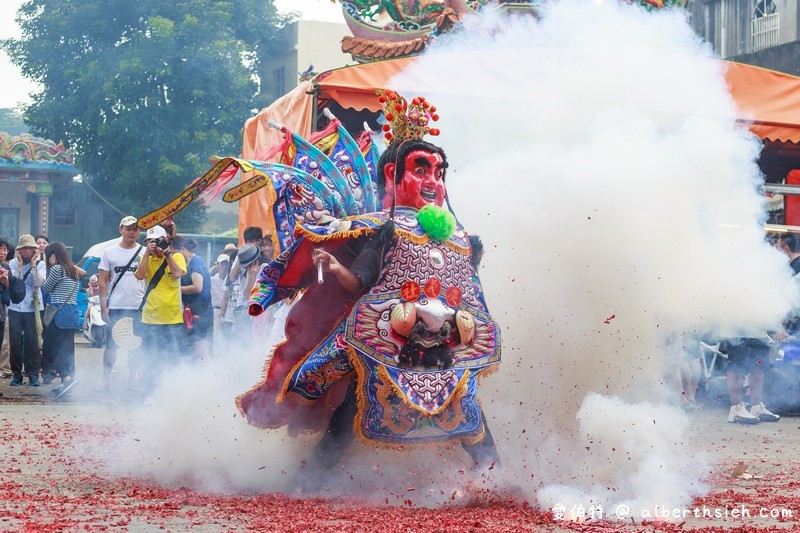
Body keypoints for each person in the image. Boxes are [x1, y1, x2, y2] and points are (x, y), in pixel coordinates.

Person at [237, 91, 501, 479]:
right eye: (422, 170)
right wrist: (329, 262)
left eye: (439, 173)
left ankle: (495, 474)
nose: (433, 182)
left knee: (465, 403)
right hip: (384, 340)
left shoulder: (458, 237)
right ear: (393, 175)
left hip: (443, 344)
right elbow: (356, 279)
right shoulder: (382, 229)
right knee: (353, 405)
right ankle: (311, 480)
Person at [134, 225, 186, 392]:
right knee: (150, 358)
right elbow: (140, 276)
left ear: (166, 240)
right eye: (150, 241)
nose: (155, 244)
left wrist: (167, 254)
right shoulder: (146, 259)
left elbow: (177, 274)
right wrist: (147, 254)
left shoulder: (177, 256)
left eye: (157, 241)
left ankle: (173, 391)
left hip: (173, 318)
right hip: (151, 318)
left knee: (174, 357)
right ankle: (150, 391)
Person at [97, 216, 145, 391]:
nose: (131, 232)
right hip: (116, 305)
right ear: (121, 230)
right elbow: (103, 281)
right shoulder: (109, 252)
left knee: (136, 346)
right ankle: (105, 379)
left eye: (135, 229)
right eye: (128, 228)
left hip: (138, 306)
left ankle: (132, 380)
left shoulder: (144, 252)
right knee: (111, 345)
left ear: (139, 231)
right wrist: (103, 305)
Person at [42, 242, 81, 395]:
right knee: (67, 349)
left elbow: (46, 288)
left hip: (59, 313)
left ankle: (66, 378)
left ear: (53, 255)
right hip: (71, 313)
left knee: (53, 349)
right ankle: (69, 379)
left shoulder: (57, 269)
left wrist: (51, 266)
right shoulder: (74, 271)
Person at [8, 234, 46, 386]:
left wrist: (34, 265)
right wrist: (18, 267)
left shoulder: (41, 264)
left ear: (35, 250)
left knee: (33, 342)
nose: (27, 251)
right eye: (24, 248)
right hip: (15, 307)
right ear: (19, 250)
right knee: (15, 342)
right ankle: (17, 374)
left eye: (30, 248)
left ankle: (33, 374)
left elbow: (38, 283)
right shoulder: (12, 263)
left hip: (33, 308)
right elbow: (14, 283)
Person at [174, 236, 212, 359]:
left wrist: (174, 290)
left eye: (176, 253)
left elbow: (197, 287)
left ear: (183, 249)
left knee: (200, 347)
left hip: (202, 311)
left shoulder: (196, 261)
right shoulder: (186, 264)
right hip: (192, 311)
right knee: (191, 348)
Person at [0, 237, 12, 378]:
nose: (2, 252)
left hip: (2, 311)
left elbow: (11, 288)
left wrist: (6, 281)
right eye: (0, 249)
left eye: (4, 249)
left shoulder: (6, 267)